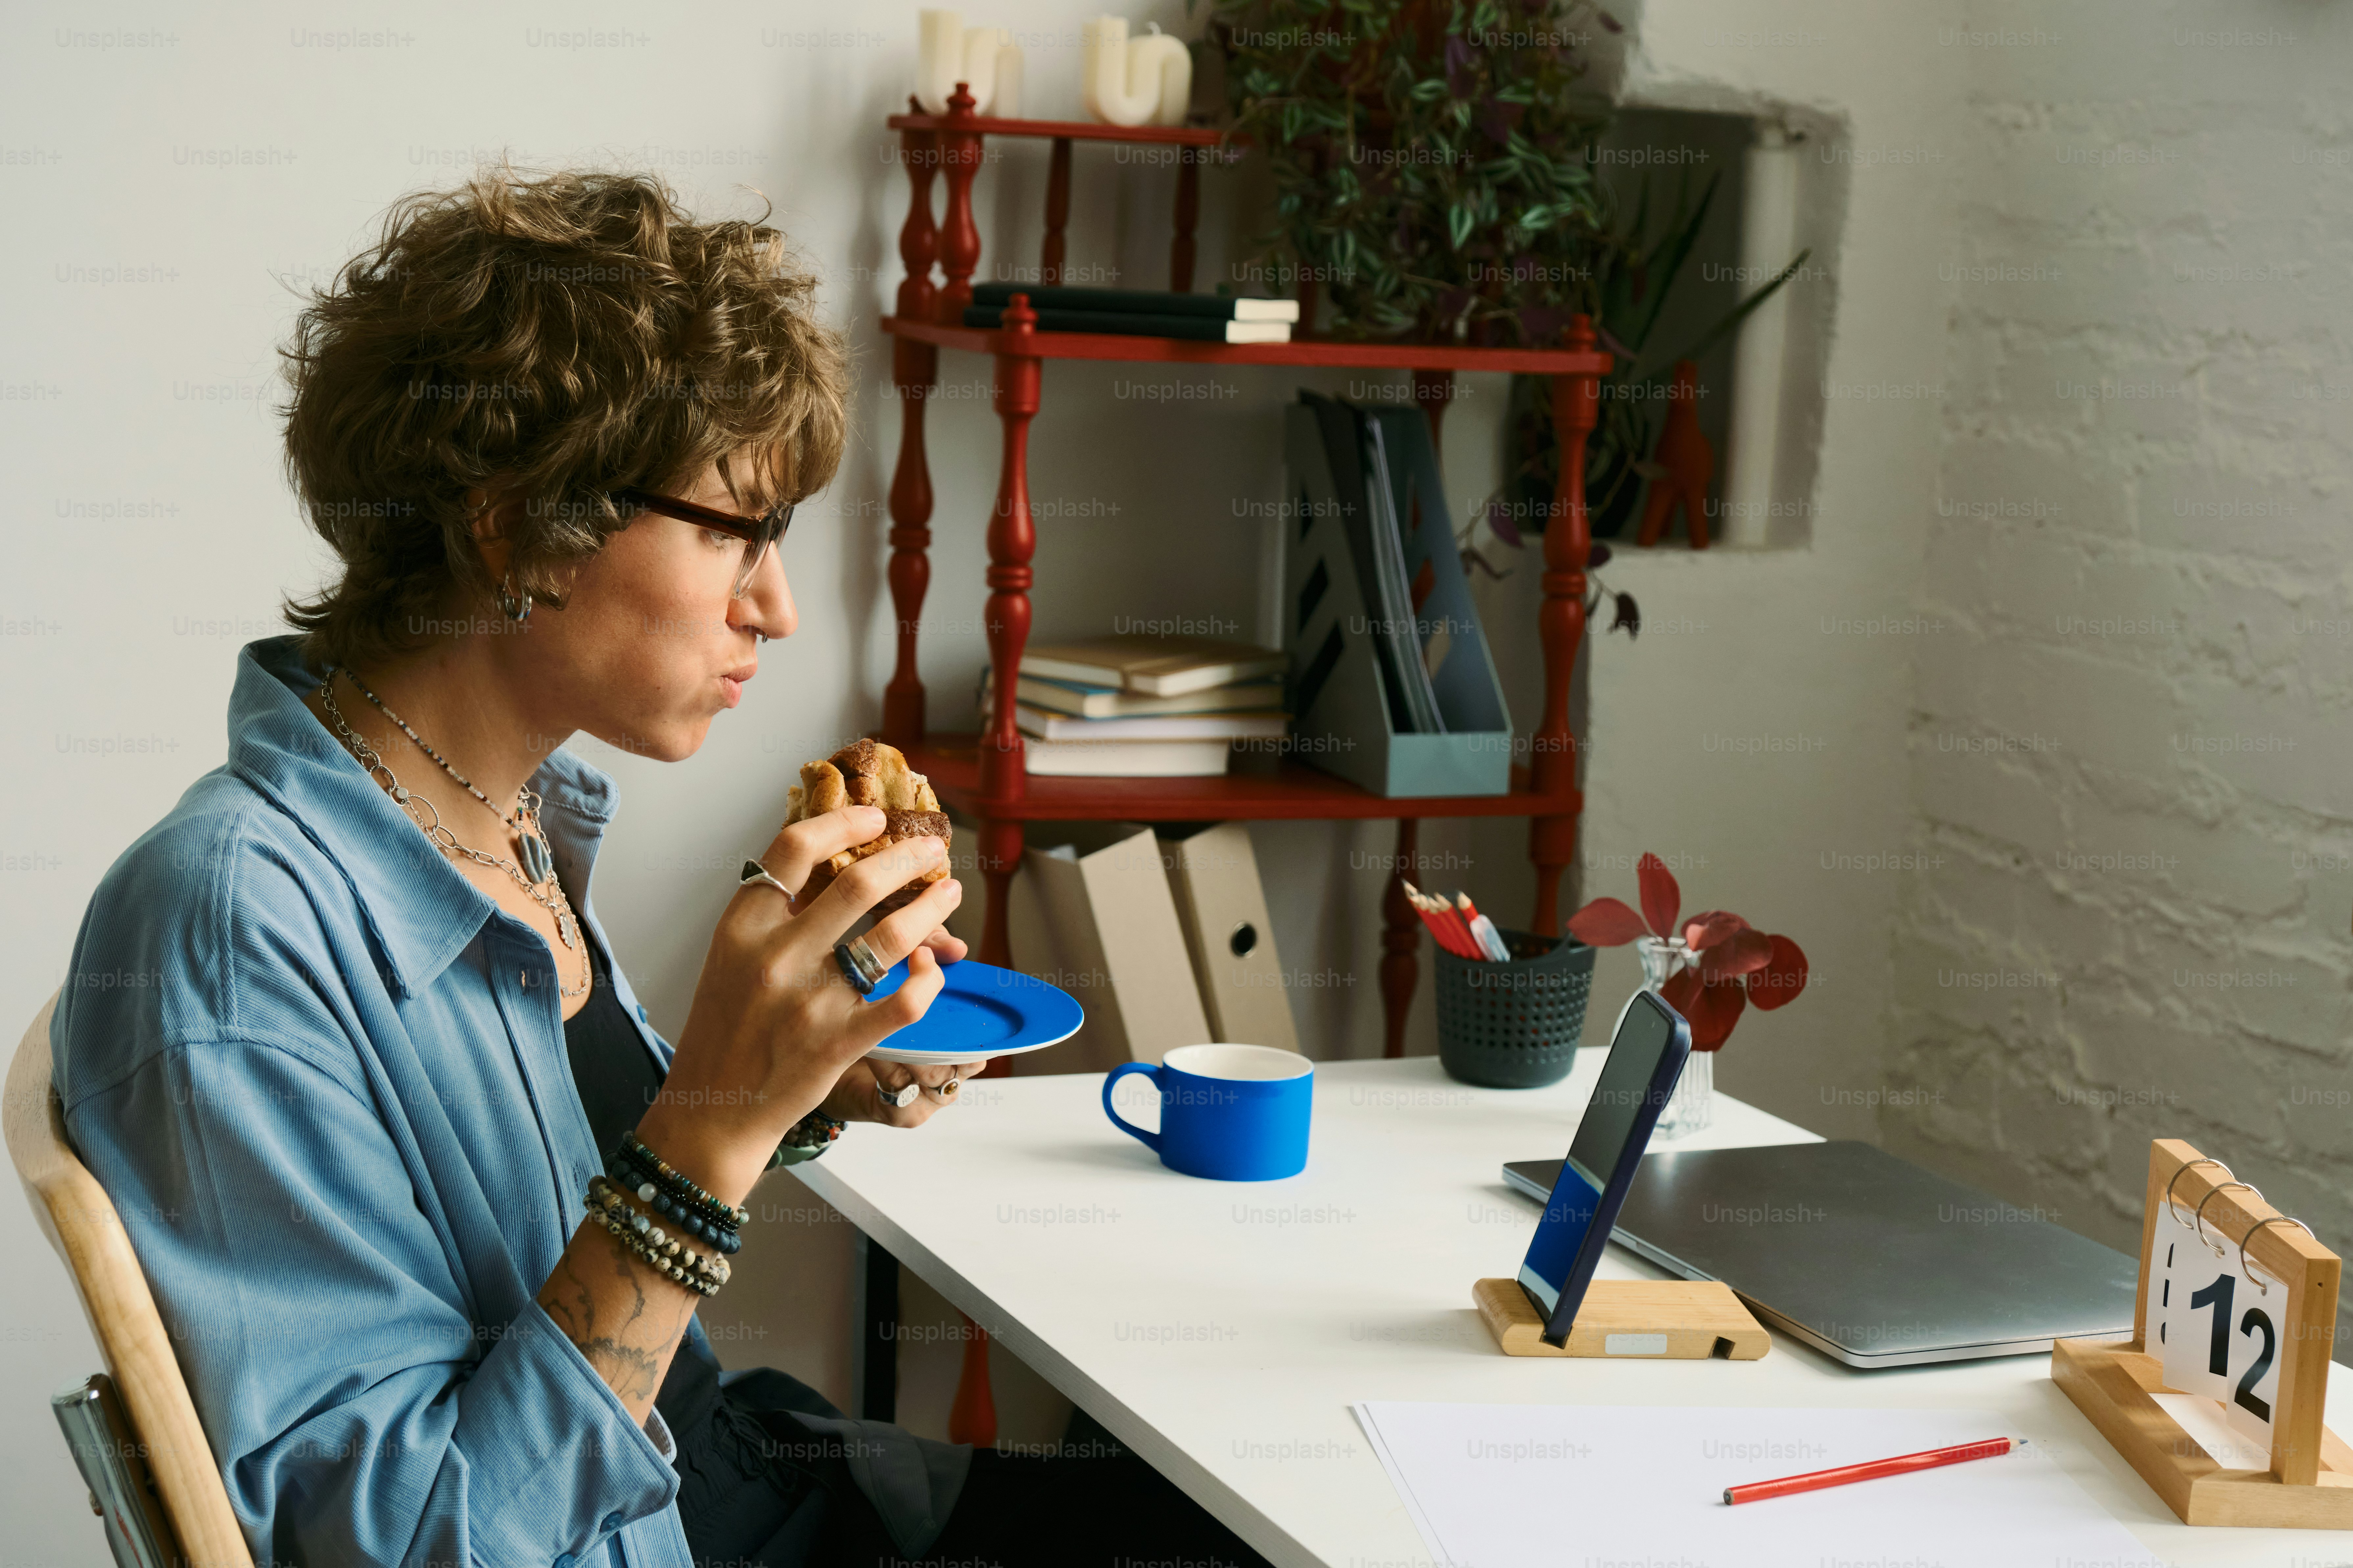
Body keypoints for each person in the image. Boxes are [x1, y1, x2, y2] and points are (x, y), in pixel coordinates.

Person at [50, 169, 1271, 1568]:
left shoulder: (502, 815)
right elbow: (404, 1545)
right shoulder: (231, 924)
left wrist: (795, 1085)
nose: (778, 604)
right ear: (514, 523)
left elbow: (587, 1202)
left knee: (1236, 1508)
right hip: (659, 1531)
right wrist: (710, 1127)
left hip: (744, 1471)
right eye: (726, 528)